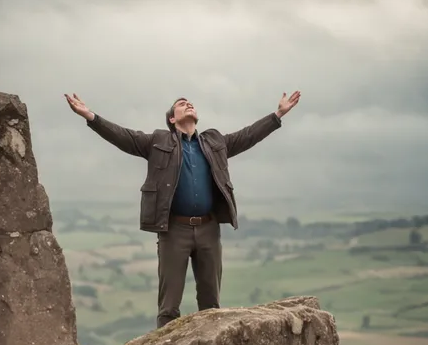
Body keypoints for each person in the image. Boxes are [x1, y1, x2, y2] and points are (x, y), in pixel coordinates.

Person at [65, 91, 301, 327]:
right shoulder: (158, 142)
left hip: (209, 229)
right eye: (181, 104)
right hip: (173, 231)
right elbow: (123, 137)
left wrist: (277, 114)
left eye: (190, 103)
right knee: (168, 307)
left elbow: (248, 135)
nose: (188, 104)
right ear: (171, 119)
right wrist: (90, 116)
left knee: (211, 305)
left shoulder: (214, 142)